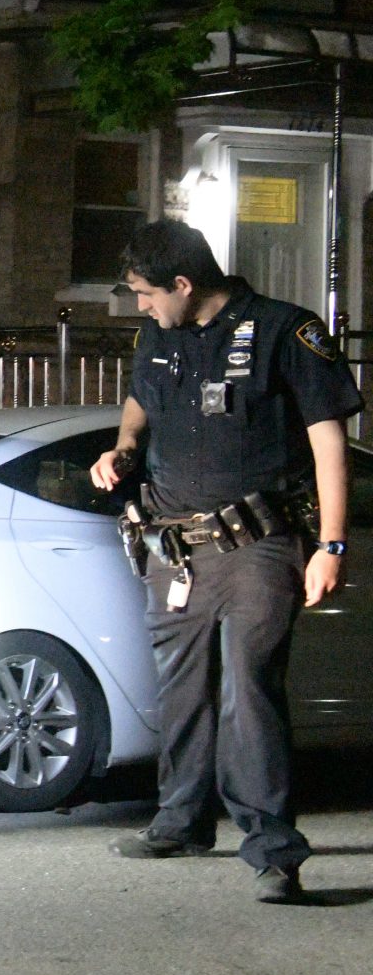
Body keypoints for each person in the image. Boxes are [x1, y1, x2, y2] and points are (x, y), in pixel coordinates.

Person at [90, 219, 356, 903]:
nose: (141, 307)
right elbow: (138, 408)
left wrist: (331, 544)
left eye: (147, 294)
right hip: (174, 549)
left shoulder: (284, 332)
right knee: (182, 689)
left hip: (256, 546)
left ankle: (272, 849)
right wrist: (120, 450)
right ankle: (180, 820)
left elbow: (330, 442)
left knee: (249, 691)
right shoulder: (159, 335)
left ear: (184, 283)